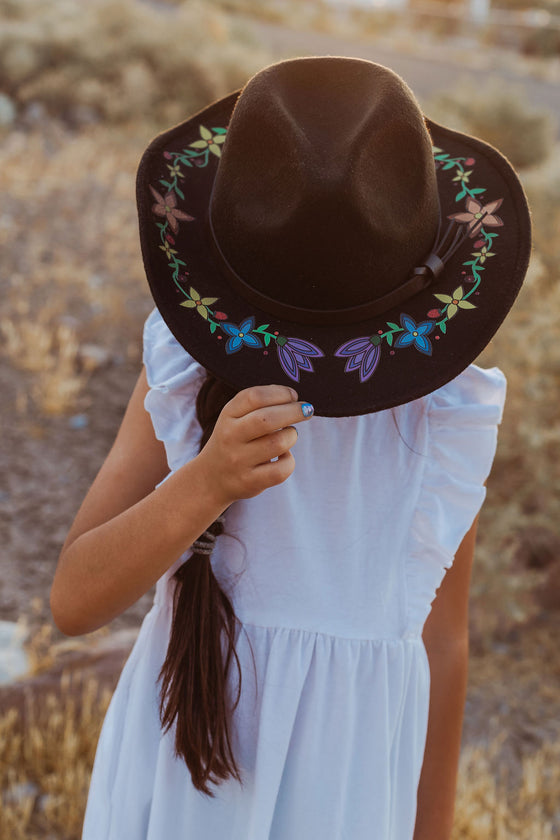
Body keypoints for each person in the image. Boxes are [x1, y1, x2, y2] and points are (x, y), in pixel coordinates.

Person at [50, 55, 531, 840]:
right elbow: (75, 600)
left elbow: (444, 641)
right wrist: (203, 485)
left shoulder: (444, 413)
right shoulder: (181, 370)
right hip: (179, 773)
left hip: (346, 791)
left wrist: (431, 829)